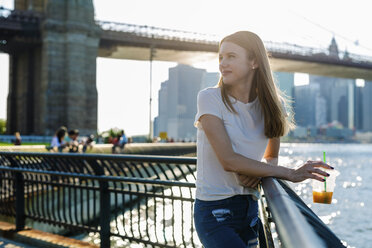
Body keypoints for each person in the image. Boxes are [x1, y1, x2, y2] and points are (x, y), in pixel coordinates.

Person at [193, 31, 333, 248]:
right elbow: (228, 160)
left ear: (254, 62)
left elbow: (271, 157)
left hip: (250, 209)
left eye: (231, 56)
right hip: (214, 213)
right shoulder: (209, 98)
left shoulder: (274, 106)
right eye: (221, 57)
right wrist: (291, 173)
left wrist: (258, 173)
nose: (223, 63)